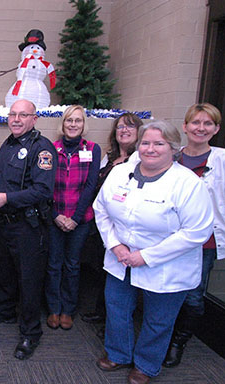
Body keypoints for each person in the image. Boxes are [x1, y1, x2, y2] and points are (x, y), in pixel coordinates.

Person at [93, 121, 213, 384]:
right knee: (117, 307)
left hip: (167, 264)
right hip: (120, 257)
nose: (150, 149)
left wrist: (146, 256)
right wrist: (115, 245)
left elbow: (197, 231)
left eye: (159, 144)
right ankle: (118, 353)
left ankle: (146, 365)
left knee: (159, 319)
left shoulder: (187, 183)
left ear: (173, 148)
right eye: (145, 143)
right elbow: (101, 209)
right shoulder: (120, 173)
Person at [163, 103, 225, 367]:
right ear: (185, 126)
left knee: (193, 296)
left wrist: (211, 228)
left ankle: (178, 341)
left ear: (217, 129)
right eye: (196, 122)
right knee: (166, 290)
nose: (201, 128)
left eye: (208, 124)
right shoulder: (172, 157)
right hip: (169, 238)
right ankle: (161, 337)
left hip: (204, 243)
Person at [0, 99, 56, 360]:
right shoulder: (9, 144)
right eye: (12, 114)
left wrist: (6, 199)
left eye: (23, 115)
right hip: (5, 222)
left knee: (29, 281)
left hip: (28, 226)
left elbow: (42, 190)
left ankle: (30, 333)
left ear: (34, 119)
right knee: (5, 272)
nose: (16, 119)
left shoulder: (41, 148)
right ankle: (4, 311)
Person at [81, 112, 143, 328]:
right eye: (120, 127)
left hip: (121, 228)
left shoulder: (138, 161)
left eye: (130, 127)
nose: (124, 130)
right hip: (102, 222)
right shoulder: (110, 157)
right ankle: (101, 312)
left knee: (119, 277)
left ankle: (113, 321)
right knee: (102, 269)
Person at [45, 105, 101, 331]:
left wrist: (76, 218)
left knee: (72, 265)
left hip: (80, 219)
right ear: (63, 123)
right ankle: (53, 308)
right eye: (69, 120)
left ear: (83, 124)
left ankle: (68, 309)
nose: (73, 124)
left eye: (78, 120)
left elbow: (90, 187)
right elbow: (45, 186)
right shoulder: (51, 148)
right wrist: (56, 215)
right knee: (54, 264)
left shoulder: (93, 149)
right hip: (55, 216)